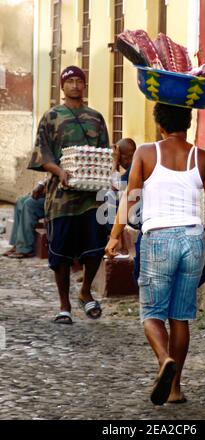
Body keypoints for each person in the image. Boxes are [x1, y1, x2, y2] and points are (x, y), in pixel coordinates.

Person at [105, 103, 205, 405]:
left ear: (159, 123)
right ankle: (174, 389)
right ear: (188, 122)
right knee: (180, 317)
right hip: (193, 240)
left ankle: (164, 361)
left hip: (159, 239)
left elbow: (131, 196)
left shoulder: (146, 153)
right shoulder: (203, 158)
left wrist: (114, 235)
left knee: (151, 314)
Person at [28, 65, 110, 325]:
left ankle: (85, 291)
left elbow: (105, 152)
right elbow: (42, 153)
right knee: (60, 254)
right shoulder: (52, 117)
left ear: (85, 86)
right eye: (70, 81)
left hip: (91, 197)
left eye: (79, 81)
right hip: (61, 199)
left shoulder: (96, 117)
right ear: (62, 87)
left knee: (95, 249)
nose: (75, 85)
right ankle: (64, 304)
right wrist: (59, 171)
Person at [3, 180, 46, 259]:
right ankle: (17, 244)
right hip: (47, 193)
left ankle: (25, 249)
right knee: (20, 201)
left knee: (29, 204)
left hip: (56, 197)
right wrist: (41, 184)